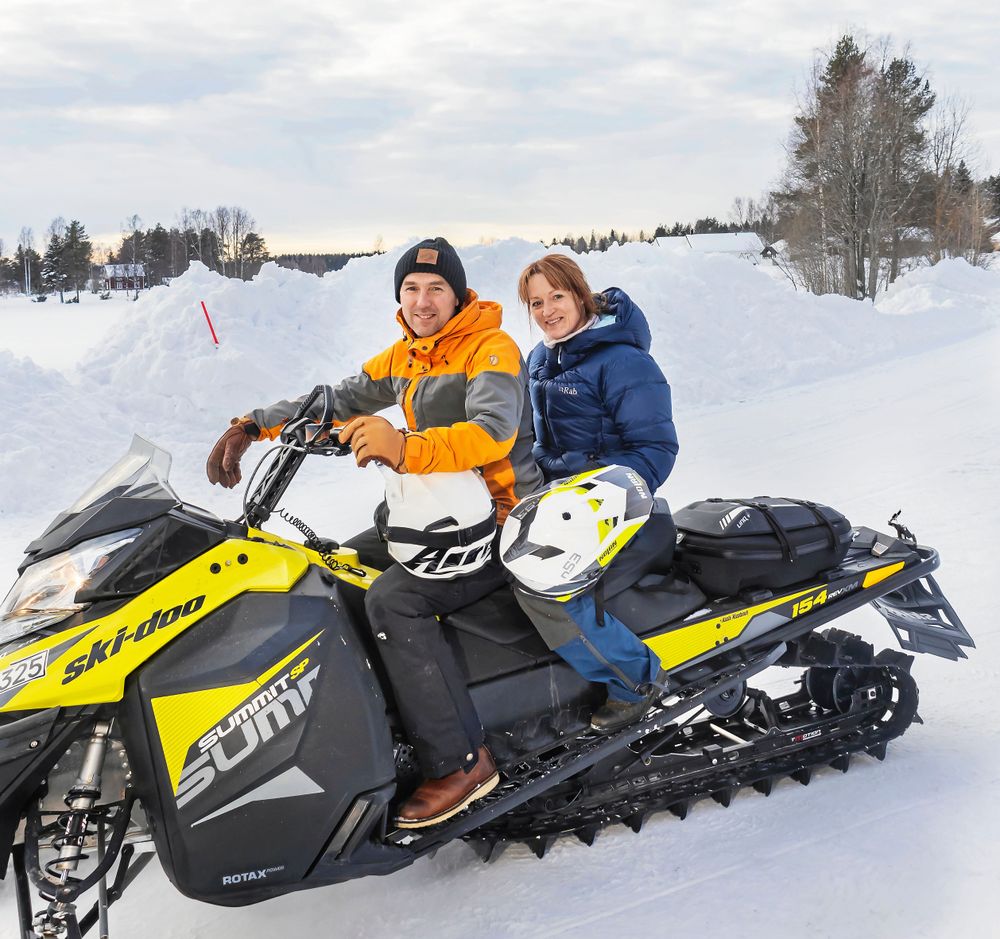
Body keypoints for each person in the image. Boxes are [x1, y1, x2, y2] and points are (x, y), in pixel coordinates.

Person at [206, 237, 542, 827]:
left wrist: (406, 447)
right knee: (333, 566)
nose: (422, 299)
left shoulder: (493, 348)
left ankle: (462, 761)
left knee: (396, 601)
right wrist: (252, 425)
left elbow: (491, 431)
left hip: (498, 518)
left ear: (459, 294)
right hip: (436, 513)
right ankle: (381, 719)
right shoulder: (409, 354)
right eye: (411, 288)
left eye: (436, 288)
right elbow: (339, 399)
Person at [512, 253, 679, 733]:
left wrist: (596, 492)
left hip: (616, 503)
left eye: (557, 297)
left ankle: (636, 680)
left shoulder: (623, 360)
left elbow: (655, 449)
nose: (547, 311)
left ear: (580, 294)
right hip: (558, 502)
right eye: (536, 302)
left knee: (547, 589)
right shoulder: (542, 358)